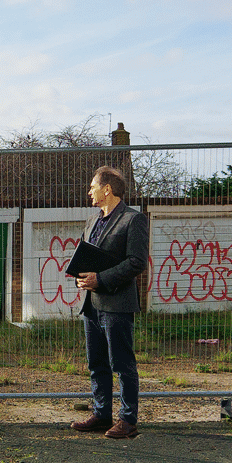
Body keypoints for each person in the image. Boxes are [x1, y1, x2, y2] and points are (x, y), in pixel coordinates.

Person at [71, 165, 149, 439]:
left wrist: (101, 279)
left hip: (117, 305)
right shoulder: (93, 220)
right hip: (91, 304)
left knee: (122, 364)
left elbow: (137, 262)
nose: (89, 191)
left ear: (107, 189)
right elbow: (85, 255)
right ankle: (101, 414)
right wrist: (81, 277)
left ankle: (128, 420)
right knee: (97, 363)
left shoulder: (133, 219)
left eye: (92, 186)